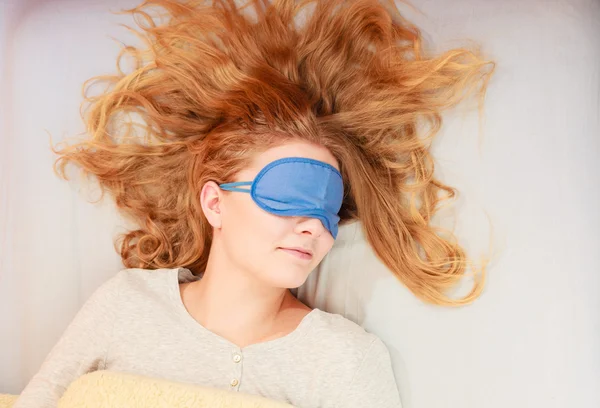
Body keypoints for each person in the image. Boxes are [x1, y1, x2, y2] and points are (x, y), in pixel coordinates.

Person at [13, 0, 494, 406]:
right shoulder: (126, 304)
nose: (315, 229)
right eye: (287, 197)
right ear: (214, 203)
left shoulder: (343, 358)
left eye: (328, 211)